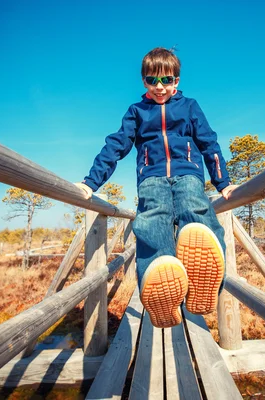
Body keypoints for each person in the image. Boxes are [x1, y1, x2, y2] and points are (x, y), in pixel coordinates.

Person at [75, 47, 237, 328]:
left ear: (177, 81)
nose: (160, 87)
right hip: (151, 177)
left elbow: (209, 143)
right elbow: (116, 146)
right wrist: (91, 182)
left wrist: (223, 182)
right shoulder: (137, 112)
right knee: (152, 222)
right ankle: (160, 287)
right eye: (153, 81)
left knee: (195, 212)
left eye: (167, 80)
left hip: (188, 173)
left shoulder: (189, 107)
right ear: (143, 82)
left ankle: (203, 284)